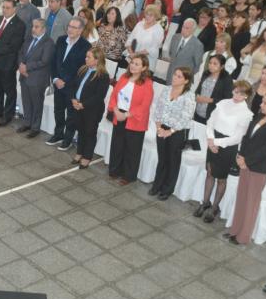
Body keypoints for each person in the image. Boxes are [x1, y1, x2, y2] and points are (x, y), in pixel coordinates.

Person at [226, 91, 266, 245]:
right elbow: (247, 137)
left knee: (251, 202)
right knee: (241, 198)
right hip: (245, 162)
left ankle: (243, 236)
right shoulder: (259, 116)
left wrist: (248, 161)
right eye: (262, 102)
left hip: (259, 167)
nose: (261, 105)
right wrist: (240, 156)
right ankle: (234, 230)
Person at [196, 81, 253, 223]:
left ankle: (215, 207)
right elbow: (210, 122)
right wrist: (210, 139)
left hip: (227, 147)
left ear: (246, 96)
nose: (236, 95)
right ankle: (205, 202)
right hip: (213, 140)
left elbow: (237, 137)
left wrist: (216, 143)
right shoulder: (223, 103)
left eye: (241, 93)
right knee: (209, 173)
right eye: (235, 91)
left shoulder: (246, 114)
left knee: (221, 178)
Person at [149, 66, 197, 199]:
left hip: (177, 131)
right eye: (175, 75)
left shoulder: (189, 96)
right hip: (162, 128)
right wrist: (159, 128)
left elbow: (186, 117)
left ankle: (167, 189)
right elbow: (158, 109)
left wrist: (170, 131)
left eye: (179, 76)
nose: (175, 77)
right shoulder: (166, 89)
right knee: (162, 158)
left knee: (173, 161)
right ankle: (157, 185)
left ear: (186, 81)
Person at [107, 53, 154, 185]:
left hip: (134, 118)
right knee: (117, 145)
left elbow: (145, 105)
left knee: (132, 149)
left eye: (137, 64)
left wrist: (126, 115)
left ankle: (128, 176)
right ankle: (114, 171)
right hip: (119, 114)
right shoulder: (123, 77)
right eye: (132, 63)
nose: (133, 66)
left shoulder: (147, 83)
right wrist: (116, 110)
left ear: (144, 68)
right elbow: (114, 95)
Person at [47, 17, 90, 150]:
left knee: (71, 114)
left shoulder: (86, 46)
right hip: (57, 83)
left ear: (81, 30)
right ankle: (58, 134)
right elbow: (53, 61)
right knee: (58, 110)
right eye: (69, 26)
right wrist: (55, 79)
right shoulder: (61, 40)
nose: (70, 29)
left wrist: (65, 81)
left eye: (74, 27)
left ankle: (68, 138)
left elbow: (82, 70)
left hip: (72, 86)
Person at [68, 46, 111, 169]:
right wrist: (73, 99)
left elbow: (99, 96)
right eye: (86, 56)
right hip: (77, 106)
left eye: (89, 57)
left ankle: (87, 156)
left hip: (92, 110)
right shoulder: (83, 70)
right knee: (80, 130)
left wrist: (83, 104)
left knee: (89, 132)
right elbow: (73, 85)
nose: (85, 59)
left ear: (97, 60)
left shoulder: (103, 76)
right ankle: (79, 152)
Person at [0, 0, 25, 126]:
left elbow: (13, 46)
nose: (4, 10)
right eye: (3, 7)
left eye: (8, 8)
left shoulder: (19, 25)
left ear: (14, 9)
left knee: (9, 90)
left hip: (7, 63)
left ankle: (8, 115)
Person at [17, 19, 54, 138]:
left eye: (36, 27)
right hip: (24, 75)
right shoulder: (29, 38)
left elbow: (44, 61)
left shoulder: (48, 42)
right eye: (33, 26)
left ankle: (35, 127)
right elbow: (21, 53)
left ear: (44, 29)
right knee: (26, 101)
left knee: (37, 104)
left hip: (37, 78)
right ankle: (27, 123)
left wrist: (27, 67)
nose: (33, 29)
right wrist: (21, 65)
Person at [194, 55, 234, 123]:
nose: (211, 65)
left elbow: (227, 99)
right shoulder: (206, 73)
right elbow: (198, 89)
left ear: (222, 66)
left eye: (215, 64)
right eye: (210, 63)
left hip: (212, 114)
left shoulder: (227, 79)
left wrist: (210, 100)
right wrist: (196, 96)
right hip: (198, 111)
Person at [126, 4, 165, 69]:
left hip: (147, 63)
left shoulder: (159, 29)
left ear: (156, 17)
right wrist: (132, 53)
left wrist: (136, 55)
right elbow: (129, 40)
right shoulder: (139, 24)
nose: (147, 17)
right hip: (132, 59)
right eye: (147, 14)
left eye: (151, 15)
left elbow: (153, 49)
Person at [166, 18, 204, 84]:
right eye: (183, 26)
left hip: (183, 79)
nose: (183, 29)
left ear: (193, 30)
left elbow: (197, 65)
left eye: (187, 28)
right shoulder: (175, 37)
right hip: (170, 76)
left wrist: (187, 77)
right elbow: (171, 53)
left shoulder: (198, 45)